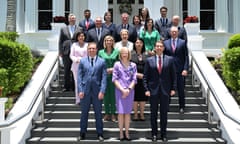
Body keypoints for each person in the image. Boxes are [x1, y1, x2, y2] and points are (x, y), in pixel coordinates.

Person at [143, 40, 177, 142]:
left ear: (163, 48)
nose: (158, 48)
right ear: (154, 48)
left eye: (160, 46)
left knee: (164, 114)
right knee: (153, 114)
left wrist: (173, 88)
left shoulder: (170, 60)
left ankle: (163, 134)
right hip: (153, 91)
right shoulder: (149, 60)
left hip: (165, 91)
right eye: (157, 46)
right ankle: (154, 134)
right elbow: (145, 77)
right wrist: (146, 89)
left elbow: (174, 76)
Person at [77, 42, 107, 142]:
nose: (91, 50)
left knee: (98, 113)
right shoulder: (82, 61)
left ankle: (100, 133)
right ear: (87, 50)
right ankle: (82, 133)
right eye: (90, 48)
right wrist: (80, 90)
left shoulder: (102, 62)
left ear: (97, 50)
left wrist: (102, 91)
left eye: (93, 48)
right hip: (85, 92)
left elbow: (104, 78)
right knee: (84, 114)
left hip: (97, 92)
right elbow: (79, 77)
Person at [112, 47, 137, 141]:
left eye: (126, 52)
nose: (124, 54)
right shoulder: (117, 65)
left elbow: (134, 79)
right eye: (123, 52)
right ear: (120, 54)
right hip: (120, 91)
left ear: (129, 54)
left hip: (130, 92)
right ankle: (121, 133)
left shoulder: (133, 65)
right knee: (120, 113)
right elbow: (115, 79)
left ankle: (127, 132)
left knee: (127, 113)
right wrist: (123, 90)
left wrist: (129, 89)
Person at [163, 26, 189, 113]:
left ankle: (182, 106)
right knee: (167, 89)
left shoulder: (183, 42)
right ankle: (166, 106)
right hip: (168, 70)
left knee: (181, 89)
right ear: (170, 33)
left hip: (180, 70)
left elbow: (186, 56)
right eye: (172, 32)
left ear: (178, 33)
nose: (174, 33)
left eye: (175, 32)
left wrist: (185, 69)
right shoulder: (165, 43)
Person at [59, 13, 83, 92]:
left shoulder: (80, 29)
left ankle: (74, 87)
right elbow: (60, 41)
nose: (72, 19)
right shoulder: (63, 29)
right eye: (71, 18)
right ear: (68, 19)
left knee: (75, 70)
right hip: (66, 51)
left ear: (75, 19)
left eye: (73, 18)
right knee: (67, 69)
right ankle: (66, 87)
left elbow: (82, 40)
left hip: (76, 52)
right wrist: (60, 51)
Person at [98, 35, 119, 122]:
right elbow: (98, 64)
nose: (108, 42)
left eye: (110, 40)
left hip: (115, 76)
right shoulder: (100, 52)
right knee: (106, 96)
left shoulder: (117, 52)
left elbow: (119, 64)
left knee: (113, 96)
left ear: (113, 42)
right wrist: (104, 70)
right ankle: (107, 113)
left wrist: (113, 69)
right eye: (107, 40)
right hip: (104, 76)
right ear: (104, 42)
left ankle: (114, 114)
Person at [131, 37, 148, 121]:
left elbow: (149, 67)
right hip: (133, 79)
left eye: (140, 43)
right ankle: (135, 114)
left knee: (142, 97)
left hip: (144, 79)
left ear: (143, 44)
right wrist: (136, 74)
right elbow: (128, 67)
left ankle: (141, 114)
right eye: (137, 43)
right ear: (134, 44)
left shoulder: (146, 54)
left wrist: (145, 75)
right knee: (135, 97)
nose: (139, 44)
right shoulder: (130, 54)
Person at [69, 31, 88, 104]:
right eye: (80, 36)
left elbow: (89, 55)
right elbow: (71, 55)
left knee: (85, 83)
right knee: (77, 83)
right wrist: (76, 59)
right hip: (76, 66)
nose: (81, 37)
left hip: (85, 66)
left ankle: (85, 99)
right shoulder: (74, 45)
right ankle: (78, 99)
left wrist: (82, 60)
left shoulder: (87, 45)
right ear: (77, 37)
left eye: (83, 36)